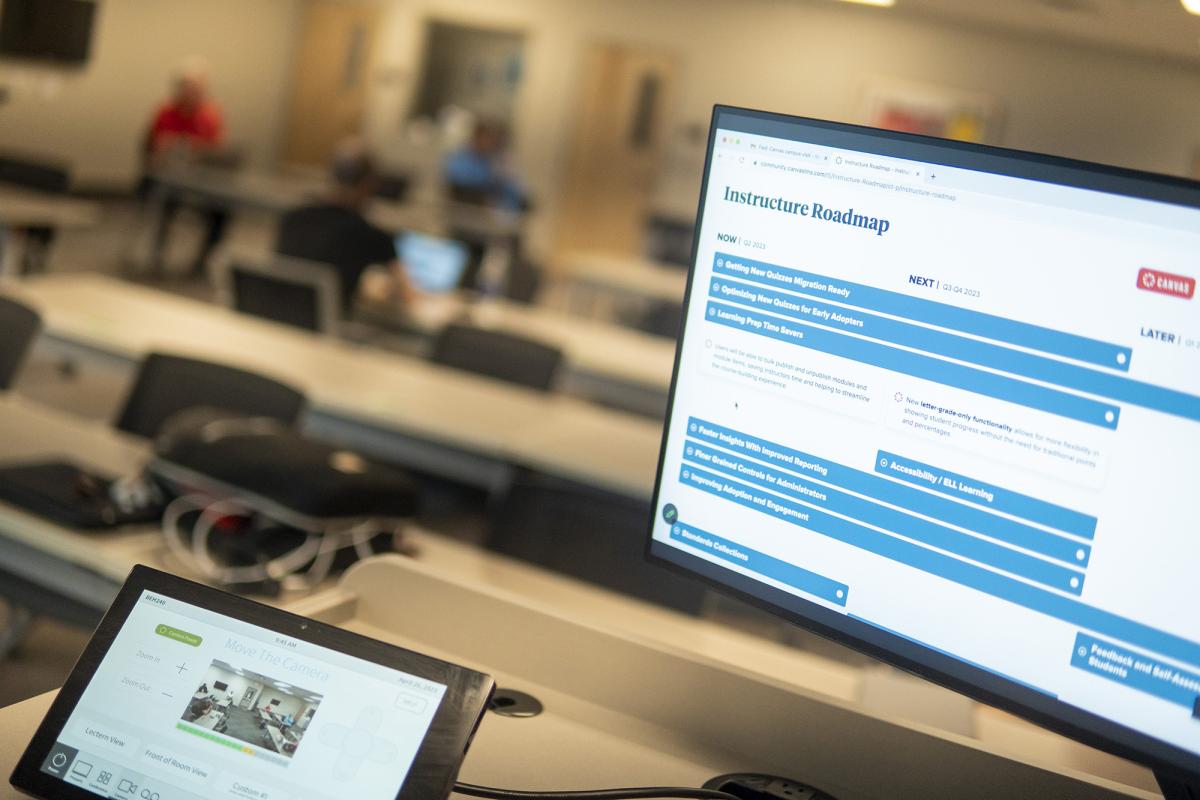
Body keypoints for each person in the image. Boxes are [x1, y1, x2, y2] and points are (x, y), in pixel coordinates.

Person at [276, 138, 415, 313]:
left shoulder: (293, 218)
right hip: (325, 331)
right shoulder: (369, 235)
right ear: (369, 185)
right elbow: (407, 295)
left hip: (279, 322)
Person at [142, 57, 231, 278]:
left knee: (222, 210)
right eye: (191, 89)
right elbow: (153, 149)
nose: (195, 94)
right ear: (180, 89)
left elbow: (215, 152)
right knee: (168, 201)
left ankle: (203, 259)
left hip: (201, 182)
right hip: (165, 180)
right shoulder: (165, 112)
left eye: (200, 89)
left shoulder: (210, 115)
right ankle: (157, 254)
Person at [442, 120, 527, 211]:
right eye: (486, 138)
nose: (488, 143)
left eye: (491, 139)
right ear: (476, 137)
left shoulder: (492, 160)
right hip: (464, 206)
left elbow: (508, 186)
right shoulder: (460, 157)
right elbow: (457, 178)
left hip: (487, 211)